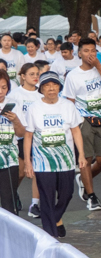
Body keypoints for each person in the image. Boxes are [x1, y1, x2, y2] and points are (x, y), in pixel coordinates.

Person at [23, 71, 86, 238]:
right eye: (47, 86)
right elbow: (28, 136)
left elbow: (76, 131)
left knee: (67, 194)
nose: (51, 89)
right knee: (47, 198)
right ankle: (51, 236)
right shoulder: (34, 109)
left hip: (66, 160)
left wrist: (81, 155)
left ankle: (55, 218)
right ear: (41, 89)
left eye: (54, 85)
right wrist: (28, 163)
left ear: (59, 87)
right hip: (43, 162)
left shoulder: (68, 106)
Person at [64, 38, 101, 211]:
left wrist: (99, 66)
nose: (90, 54)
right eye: (86, 51)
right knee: (86, 159)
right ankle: (92, 196)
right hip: (83, 120)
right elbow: (69, 102)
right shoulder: (73, 75)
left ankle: (83, 179)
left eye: (93, 51)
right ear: (79, 53)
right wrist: (72, 126)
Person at [9, 63, 43, 217]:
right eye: (31, 74)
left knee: (37, 171)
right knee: (21, 172)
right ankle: (12, 192)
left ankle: (35, 205)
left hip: (38, 137)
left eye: (37, 74)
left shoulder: (41, 94)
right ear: (22, 76)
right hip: (21, 137)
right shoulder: (15, 95)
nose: (36, 77)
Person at [0, 69, 26, 214]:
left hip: (9, 160)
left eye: (4, 87)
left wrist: (15, 120)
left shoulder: (14, 104)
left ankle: (9, 235)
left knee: (8, 201)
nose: (0, 91)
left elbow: (21, 134)